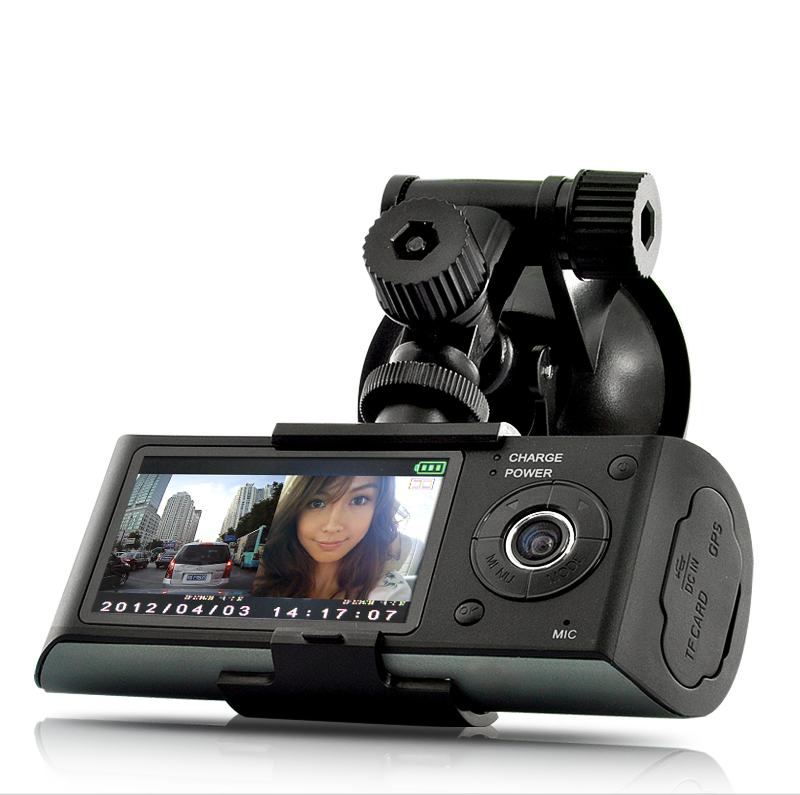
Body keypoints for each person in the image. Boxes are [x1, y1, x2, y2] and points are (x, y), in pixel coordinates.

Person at [250, 474, 411, 601]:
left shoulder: (388, 593)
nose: (332, 526)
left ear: (378, 509)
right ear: (295, 510)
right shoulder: (263, 573)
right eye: (317, 503)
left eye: (358, 500)